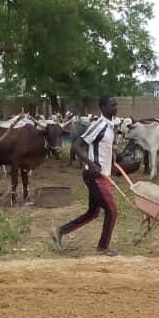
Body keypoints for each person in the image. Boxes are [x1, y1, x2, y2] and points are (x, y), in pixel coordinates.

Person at [51, 96, 119, 256]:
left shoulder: (110, 126)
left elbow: (104, 149)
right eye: (112, 105)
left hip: (102, 175)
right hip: (94, 175)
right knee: (112, 210)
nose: (115, 107)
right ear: (102, 107)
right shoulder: (100, 125)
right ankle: (103, 247)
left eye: (116, 104)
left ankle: (59, 231)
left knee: (93, 213)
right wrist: (90, 162)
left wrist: (112, 163)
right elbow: (76, 145)